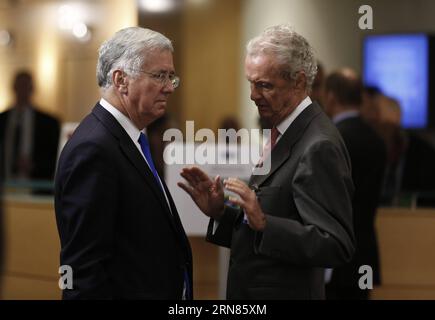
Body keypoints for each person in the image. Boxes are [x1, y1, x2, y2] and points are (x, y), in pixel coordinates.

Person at [179, 24, 355, 299]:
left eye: (264, 85)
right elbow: (264, 222)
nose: (252, 94)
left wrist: (265, 223)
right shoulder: (283, 131)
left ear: (298, 82)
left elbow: (335, 244)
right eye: (251, 82)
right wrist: (221, 213)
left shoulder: (318, 145)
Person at [55, 27, 193, 299]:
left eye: (171, 77)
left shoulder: (131, 137)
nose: (168, 88)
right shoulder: (93, 149)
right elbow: (81, 269)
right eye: (159, 76)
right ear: (121, 80)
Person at [323, 69, 386, 299]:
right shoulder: (377, 140)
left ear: (331, 97)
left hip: (334, 255)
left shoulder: (330, 140)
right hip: (365, 253)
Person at [0, 71, 60, 184]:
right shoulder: (2, 119)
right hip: (5, 187)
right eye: (20, 86)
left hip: (37, 186)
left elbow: (56, 157)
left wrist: (34, 165)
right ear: (14, 88)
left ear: (32, 89)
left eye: (26, 86)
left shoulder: (49, 123)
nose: (23, 90)